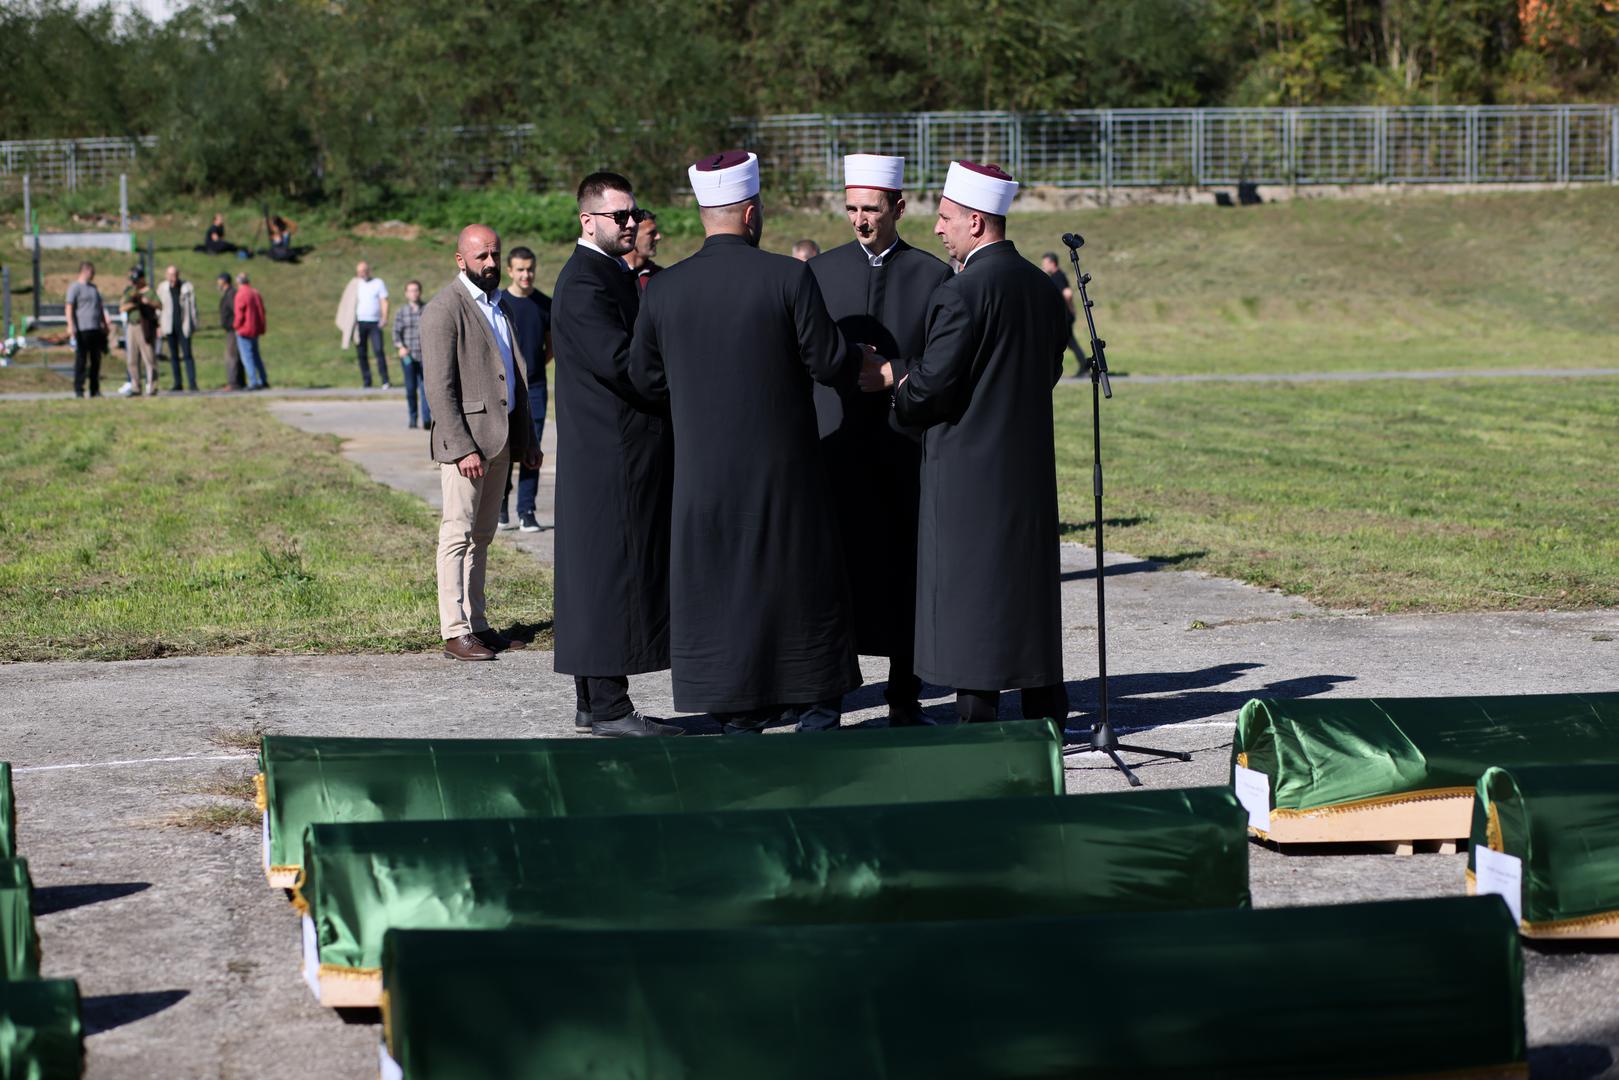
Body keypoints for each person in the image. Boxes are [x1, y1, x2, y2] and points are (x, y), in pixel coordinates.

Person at [627, 150, 865, 735]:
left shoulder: (663, 289)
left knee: (720, 585)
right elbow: (829, 359)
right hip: (784, 467)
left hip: (703, 471)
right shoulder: (788, 276)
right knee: (799, 579)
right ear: (751, 213)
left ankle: (735, 707)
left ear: (704, 214)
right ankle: (813, 705)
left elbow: (644, 378)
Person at [869, 161, 1069, 725]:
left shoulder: (961, 292)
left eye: (947, 218)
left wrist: (897, 391)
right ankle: (1044, 713)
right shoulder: (1039, 287)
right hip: (1028, 470)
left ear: (976, 223)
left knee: (973, 597)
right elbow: (1048, 370)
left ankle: (977, 717)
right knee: (1026, 595)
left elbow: (931, 386)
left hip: (967, 473)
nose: (938, 229)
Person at [808, 154, 952, 727]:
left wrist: (897, 370)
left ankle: (903, 696)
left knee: (902, 575)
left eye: (871, 210)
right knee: (831, 576)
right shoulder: (819, 273)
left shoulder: (933, 275)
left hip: (902, 449)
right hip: (836, 449)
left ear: (898, 207)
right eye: (851, 209)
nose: (860, 221)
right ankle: (824, 700)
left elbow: (944, 360)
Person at [551, 173, 681, 738]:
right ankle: (608, 706)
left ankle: (594, 701)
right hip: (611, 454)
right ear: (588, 220)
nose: (630, 224)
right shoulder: (587, 282)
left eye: (634, 214)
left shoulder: (606, 274)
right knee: (609, 576)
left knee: (602, 574)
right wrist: (684, 376)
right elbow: (625, 362)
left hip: (615, 450)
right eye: (619, 216)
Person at [421, 224, 541, 663]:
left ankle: (479, 623)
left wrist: (527, 440)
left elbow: (517, 379)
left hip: (502, 441)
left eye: (494, 255)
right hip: (466, 447)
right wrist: (462, 447)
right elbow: (439, 389)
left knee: (483, 536)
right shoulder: (443, 310)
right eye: (481, 257)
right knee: (457, 534)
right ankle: (454, 630)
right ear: (460, 260)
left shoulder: (498, 305)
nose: (490, 264)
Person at [499, 246, 552, 533]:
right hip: (504, 389)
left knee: (532, 450)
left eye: (530, 269)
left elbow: (550, 347)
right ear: (509, 270)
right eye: (520, 269)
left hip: (536, 389)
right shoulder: (499, 302)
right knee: (505, 449)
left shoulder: (544, 304)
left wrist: (529, 371)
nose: (526, 274)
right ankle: (501, 506)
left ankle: (527, 510)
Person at [64, 261, 114, 398]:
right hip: (82, 329)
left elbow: (100, 308)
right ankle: (79, 388)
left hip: (95, 328)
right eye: (92, 272)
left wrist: (104, 324)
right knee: (81, 359)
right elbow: (69, 307)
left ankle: (95, 389)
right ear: (85, 271)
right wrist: (71, 325)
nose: (93, 275)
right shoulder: (75, 287)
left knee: (95, 360)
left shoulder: (94, 288)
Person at [338, 262, 391, 389]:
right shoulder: (355, 284)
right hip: (359, 323)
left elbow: (384, 301)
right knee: (362, 353)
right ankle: (367, 381)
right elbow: (348, 302)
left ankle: (385, 380)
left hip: (375, 322)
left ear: (369, 270)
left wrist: (384, 317)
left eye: (364, 270)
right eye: (359, 271)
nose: (362, 273)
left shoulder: (378, 283)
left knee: (378, 350)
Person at [392, 280, 431, 429]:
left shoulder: (428, 309)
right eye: (410, 291)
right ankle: (413, 418)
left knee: (426, 389)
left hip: (425, 356)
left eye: (416, 290)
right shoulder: (402, 312)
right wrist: (400, 347)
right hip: (408, 357)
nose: (414, 293)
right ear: (406, 293)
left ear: (420, 292)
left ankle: (427, 420)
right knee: (410, 388)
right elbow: (395, 332)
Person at [1041, 252, 1087, 376]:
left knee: (1059, 342)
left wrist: (1070, 309)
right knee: (1070, 342)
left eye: (1045, 263)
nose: (1043, 266)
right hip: (1064, 316)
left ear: (1052, 263)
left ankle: (1083, 365)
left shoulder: (1057, 276)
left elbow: (1067, 293)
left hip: (1064, 316)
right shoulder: (1057, 276)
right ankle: (1084, 364)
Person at [157, 265, 200, 392]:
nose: (173, 278)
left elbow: (193, 308)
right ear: (166, 276)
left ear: (178, 275)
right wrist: (159, 325)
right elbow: (159, 308)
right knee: (174, 355)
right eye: (170, 275)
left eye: (174, 275)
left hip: (184, 326)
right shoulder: (162, 288)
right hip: (169, 326)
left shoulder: (187, 287)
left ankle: (192, 383)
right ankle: (178, 383)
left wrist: (194, 324)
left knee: (187, 355)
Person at [119, 266, 159, 397]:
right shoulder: (130, 292)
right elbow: (122, 307)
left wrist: (146, 302)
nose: (135, 283)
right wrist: (134, 303)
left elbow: (159, 305)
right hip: (132, 326)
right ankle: (136, 386)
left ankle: (152, 386)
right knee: (132, 358)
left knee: (149, 357)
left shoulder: (149, 292)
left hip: (144, 326)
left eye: (137, 280)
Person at [232, 272, 269, 390]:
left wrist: (236, 325)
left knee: (247, 357)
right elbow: (261, 311)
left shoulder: (241, 294)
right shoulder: (255, 293)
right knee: (256, 355)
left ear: (238, 282)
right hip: (255, 329)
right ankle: (263, 379)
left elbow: (239, 314)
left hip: (244, 330)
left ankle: (253, 381)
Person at [216, 272, 245, 390]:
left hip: (233, 329)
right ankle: (239, 381)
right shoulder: (228, 293)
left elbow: (236, 311)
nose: (217, 284)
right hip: (230, 329)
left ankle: (233, 382)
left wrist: (234, 325)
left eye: (219, 281)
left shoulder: (231, 294)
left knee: (231, 355)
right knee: (235, 355)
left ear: (224, 281)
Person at [624, 209, 663, 290]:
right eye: (651, 233)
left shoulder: (660, 276)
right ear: (631, 236)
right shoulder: (611, 272)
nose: (658, 237)